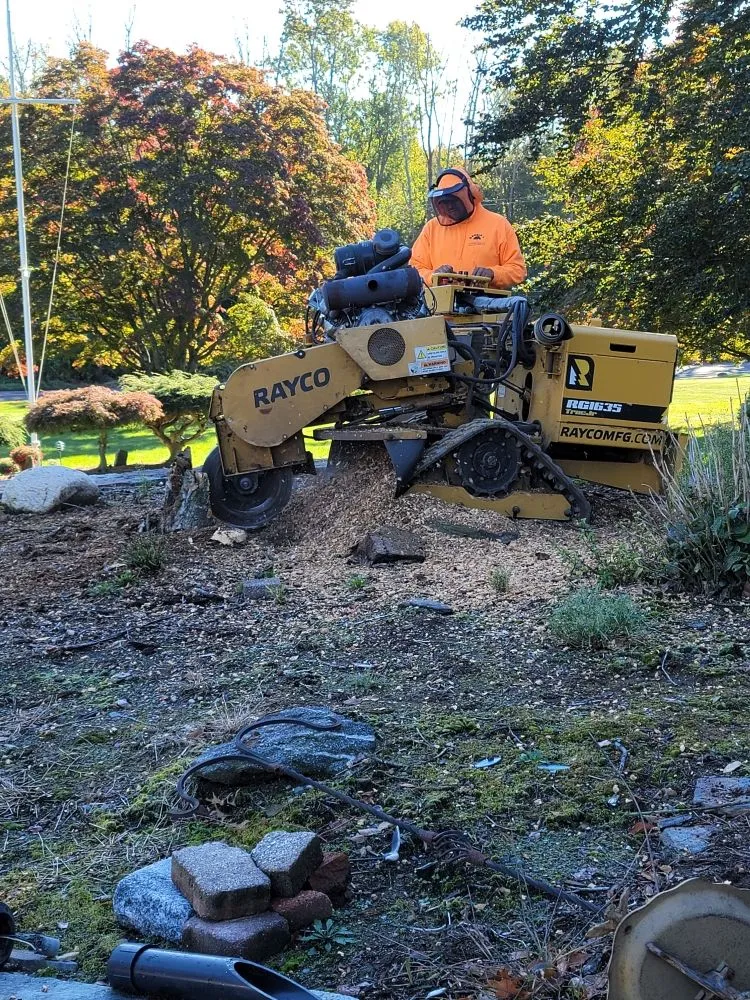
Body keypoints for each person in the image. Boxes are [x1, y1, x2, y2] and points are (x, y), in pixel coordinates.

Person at [410, 167, 527, 289]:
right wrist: (434, 276)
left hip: (487, 304)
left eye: (453, 201)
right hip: (439, 306)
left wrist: (493, 274)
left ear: (469, 196)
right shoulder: (432, 228)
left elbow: (518, 270)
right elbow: (414, 270)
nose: (450, 207)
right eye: (444, 203)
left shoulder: (498, 224)